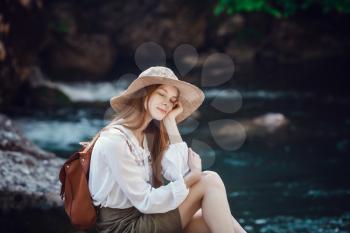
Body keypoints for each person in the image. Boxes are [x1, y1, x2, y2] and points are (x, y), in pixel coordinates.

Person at [87, 66, 247, 233]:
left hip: (143, 217)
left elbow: (180, 173)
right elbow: (147, 201)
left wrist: (170, 121)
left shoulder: (147, 137)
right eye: (161, 94)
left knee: (214, 215)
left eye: (172, 100)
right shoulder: (116, 140)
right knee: (210, 180)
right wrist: (192, 177)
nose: (167, 103)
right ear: (144, 94)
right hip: (124, 227)